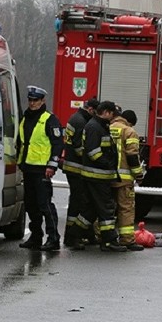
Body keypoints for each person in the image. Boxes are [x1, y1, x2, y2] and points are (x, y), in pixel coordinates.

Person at [16, 85, 65, 251]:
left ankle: (53, 238)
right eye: (30, 100)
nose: (32, 103)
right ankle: (36, 236)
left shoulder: (49, 119)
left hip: (42, 169)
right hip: (28, 168)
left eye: (35, 100)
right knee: (31, 205)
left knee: (45, 205)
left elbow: (57, 144)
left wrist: (52, 165)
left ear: (42, 100)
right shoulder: (25, 118)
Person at [80, 100, 128, 252]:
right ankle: (109, 241)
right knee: (107, 208)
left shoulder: (99, 125)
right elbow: (93, 152)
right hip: (98, 176)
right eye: (112, 114)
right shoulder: (95, 127)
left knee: (92, 210)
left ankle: (75, 234)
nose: (113, 117)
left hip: (98, 176)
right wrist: (107, 164)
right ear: (106, 112)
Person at [61, 97, 99, 250]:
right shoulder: (81, 122)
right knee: (79, 203)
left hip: (72, 167)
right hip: (76, 168)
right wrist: (92, 158)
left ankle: (86, 234)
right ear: (90, 109)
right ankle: (71, 237)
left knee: (79, 201)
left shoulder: (76, 117)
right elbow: (78, 148)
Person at [109, 108, 144, 251]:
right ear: (130, 122)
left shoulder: (108, 127)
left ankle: (102, 236)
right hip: (124, 180)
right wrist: (139, 175)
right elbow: (132, 156)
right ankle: (127, 239)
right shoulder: (129, 132)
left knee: (106, 209)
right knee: (126, 209)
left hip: (107, 177)